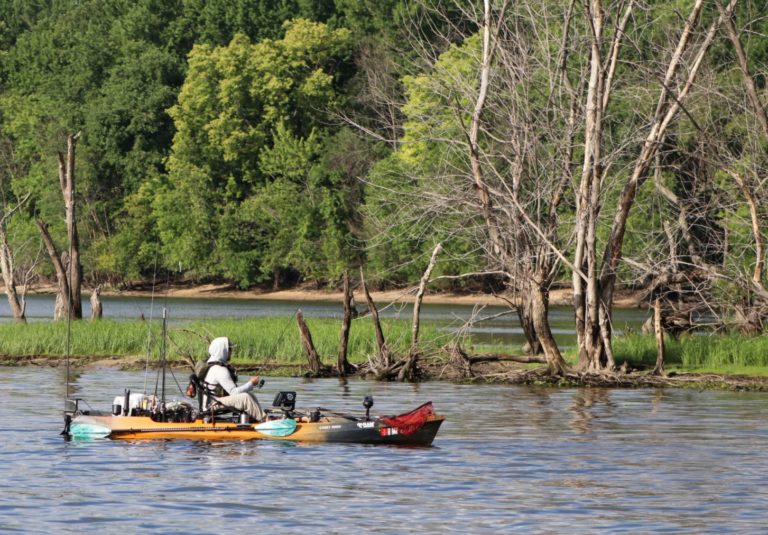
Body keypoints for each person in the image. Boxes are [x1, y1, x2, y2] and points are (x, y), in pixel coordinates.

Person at [202, 337, 264, 422]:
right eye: (229, 349)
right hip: (213, 405)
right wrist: (251, 383)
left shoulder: (212, 365)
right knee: (245, 397)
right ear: (222, 350)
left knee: (250, 395)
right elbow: (234, 393)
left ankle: (257, 418)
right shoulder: (219, 370)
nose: (231, 352)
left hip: (215, 402)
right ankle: (264, 420)